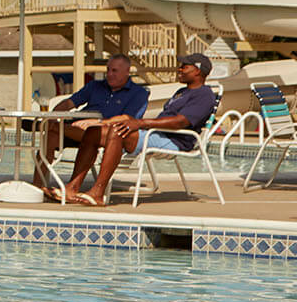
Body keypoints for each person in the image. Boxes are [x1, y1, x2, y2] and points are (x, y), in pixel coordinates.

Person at [77, 53, 217, 206]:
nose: (179, 69)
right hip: (157, 134)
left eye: (184, 67)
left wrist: (141, 123)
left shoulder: (204, 94)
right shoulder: (181, 92)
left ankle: (97, 192)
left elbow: (180, 122)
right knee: (93, 133)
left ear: (197, 71)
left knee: (118, 131)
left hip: (174, 140)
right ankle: (72, 188)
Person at [35, 54, 149, 201]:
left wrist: (98, 123)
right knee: (50, 134)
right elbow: (70, 102)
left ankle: (53, 128)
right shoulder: (96, 86)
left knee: (54, 128)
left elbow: (128, 119)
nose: (109, 74)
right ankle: (37, 186)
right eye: (108, 70)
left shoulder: (138, 93)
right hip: (77, 127)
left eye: (114, 71)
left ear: (127, 71)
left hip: (105, 133)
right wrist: (54, 114)